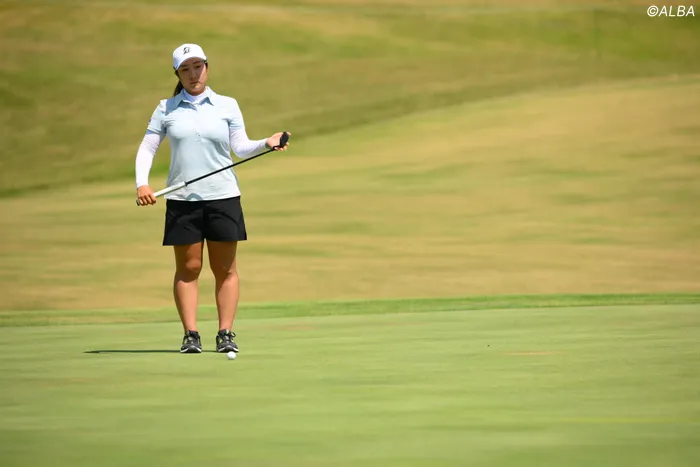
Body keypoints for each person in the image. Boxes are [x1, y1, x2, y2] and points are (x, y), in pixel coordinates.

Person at [134, 43, 290, 354]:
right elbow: (148, 148)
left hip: (223, 197)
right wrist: (142, 184)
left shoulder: (227, 105)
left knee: (225, 269)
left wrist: (266, 142)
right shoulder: (166, 108)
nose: (193, 74)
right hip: (182, 199)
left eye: (197, 66)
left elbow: (240, 147)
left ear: (207, 67)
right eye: (185, 69)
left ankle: (225, 333)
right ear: (177, 73)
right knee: (189, 268)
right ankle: (190, 334)